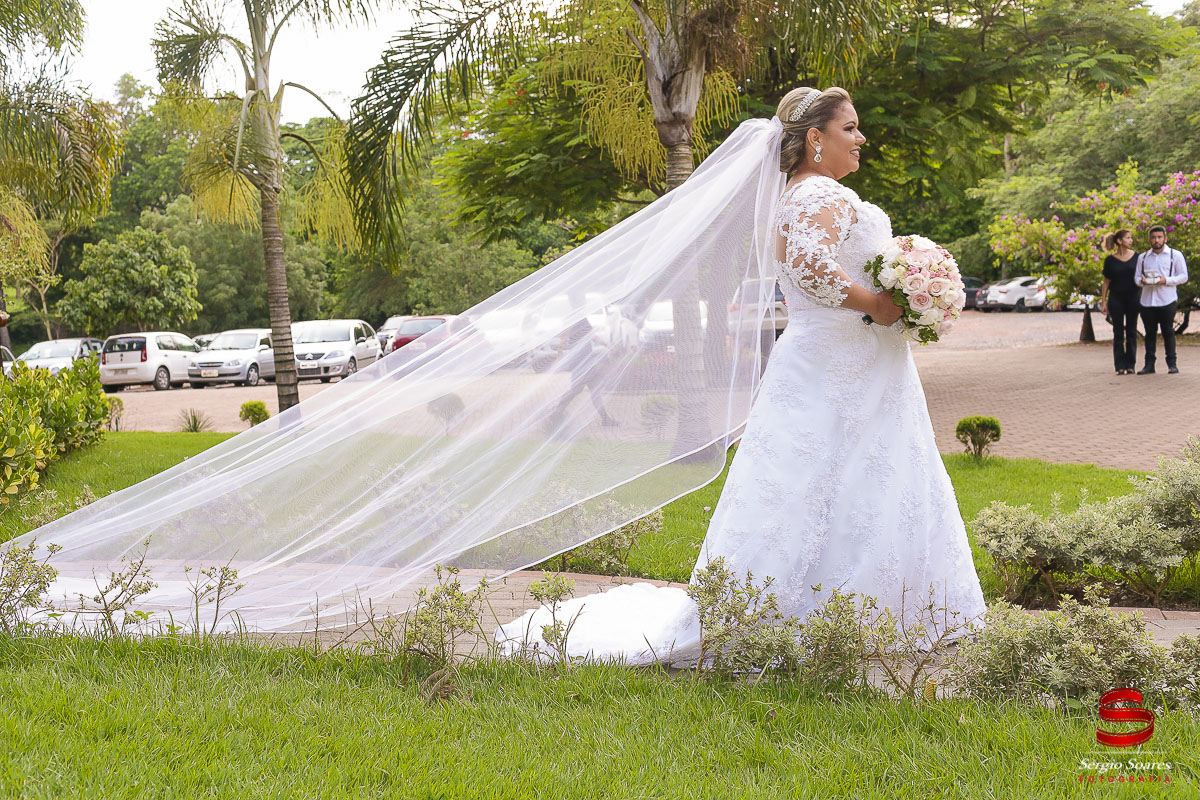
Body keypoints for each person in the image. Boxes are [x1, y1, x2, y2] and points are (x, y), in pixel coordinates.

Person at [495, 86, 989, 665]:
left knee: (856, 476)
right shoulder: (818, 192)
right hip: (838, 359)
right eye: (850, 128)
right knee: (827, 477)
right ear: (815, 139)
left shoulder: (800, 193)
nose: (861, 138)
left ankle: (875, 608)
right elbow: (809, 268)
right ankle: (844, 614)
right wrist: (879, 305)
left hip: (849, 360)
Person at [1135, 225, 1188, 375]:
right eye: (1153, 237)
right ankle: (1149, 365)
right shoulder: (1143, 257)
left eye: (1159, 237)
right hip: (1147, 301)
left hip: (1167, 299)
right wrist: (1143, 282)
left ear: (1165, 238)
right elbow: (1137, 278)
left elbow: (1183, 276)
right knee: (1149, 334)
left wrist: (1166, 280)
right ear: (1149, 240)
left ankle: (1172, 364)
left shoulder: (1175, 255)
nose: (1156, 240)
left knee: (1168, 332)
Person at [1099, 229, 1140, 375]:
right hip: (1116, 299)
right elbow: (1106, 282)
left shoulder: (1137, 257)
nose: (1131, 240)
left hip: (1133, 298)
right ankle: (1119, 366)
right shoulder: (1110, 260)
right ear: (1119, 241)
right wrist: (1103, 302)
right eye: (1128, 238)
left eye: (1131, 238)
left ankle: (1131, 365)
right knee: (1118, 333)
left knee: (1131, 331)